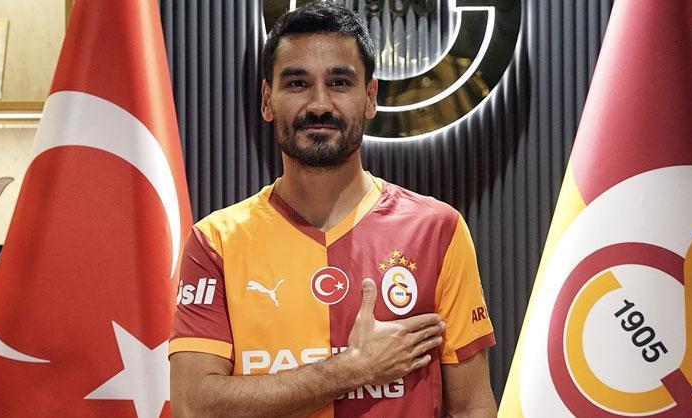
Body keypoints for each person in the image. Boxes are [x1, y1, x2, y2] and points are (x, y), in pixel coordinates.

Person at [169, 2, 496, 417]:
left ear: (370, 98)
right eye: (297, 83)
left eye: (339, 82)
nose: (319, 104)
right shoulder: (216, 241)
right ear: (267, 100)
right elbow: (193, 407)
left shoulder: (437, 229)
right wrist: (354, 369)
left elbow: (472, 407)